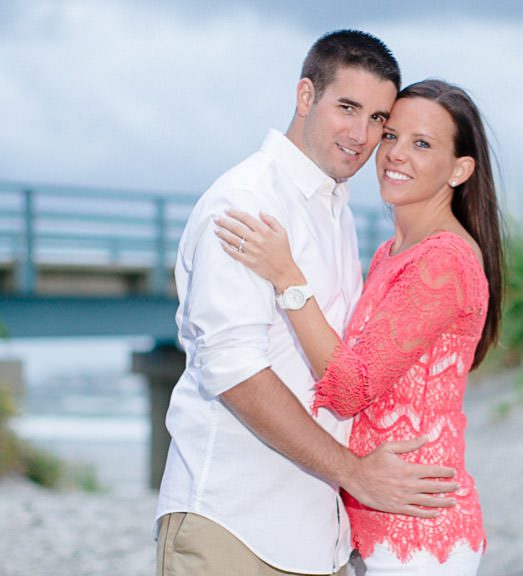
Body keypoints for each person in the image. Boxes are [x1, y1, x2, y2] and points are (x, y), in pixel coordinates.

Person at [155, 32, 460, 576]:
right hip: (233, 526)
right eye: (347, 108)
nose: (362, 135)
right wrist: (355, 473)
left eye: (377, 119)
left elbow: (339, 369)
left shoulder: (332, 207)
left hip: (315, 538)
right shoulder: (248, 203)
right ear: (304, 96)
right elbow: (236, 372)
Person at [215, 79, 504, 576]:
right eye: (390, 135)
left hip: (416, 533)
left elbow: (349, 388)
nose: (395, 154)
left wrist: (287, 276)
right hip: (370, 527)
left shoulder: (444, 261)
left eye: (422, 144)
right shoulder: (391, 253)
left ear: (460, 169)